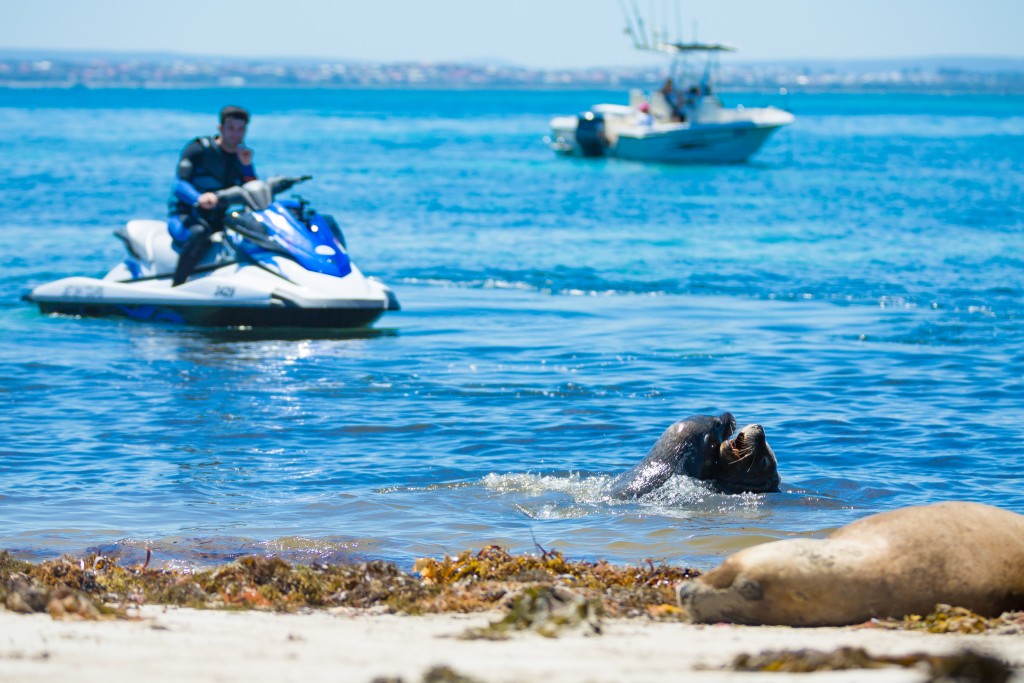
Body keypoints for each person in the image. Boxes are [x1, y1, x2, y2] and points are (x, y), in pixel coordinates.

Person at [169, 105, 257, 286]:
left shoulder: (242, 157)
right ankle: (177, 286)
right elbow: (179, 184)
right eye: (231, 128)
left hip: (218, 218)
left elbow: (252, 190)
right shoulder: (198, 149)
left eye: (241, 129)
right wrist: (198, 198)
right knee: (200, 234)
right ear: (221, 128)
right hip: (186, 217)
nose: (236, 134)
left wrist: (247, 165)